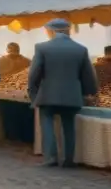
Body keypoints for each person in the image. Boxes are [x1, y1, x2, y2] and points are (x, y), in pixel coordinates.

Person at [28, 18, 98, 167]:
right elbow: (88, 75)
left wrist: (33, 92)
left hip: (48, 94)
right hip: (72, 94)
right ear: (68, 31)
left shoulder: (42, 47)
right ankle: (69, 159)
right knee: (69, 126)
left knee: (46, 123)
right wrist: (90, 92)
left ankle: (51, 157)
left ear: (52, 30)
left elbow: (34, 73)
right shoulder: (81, 49)